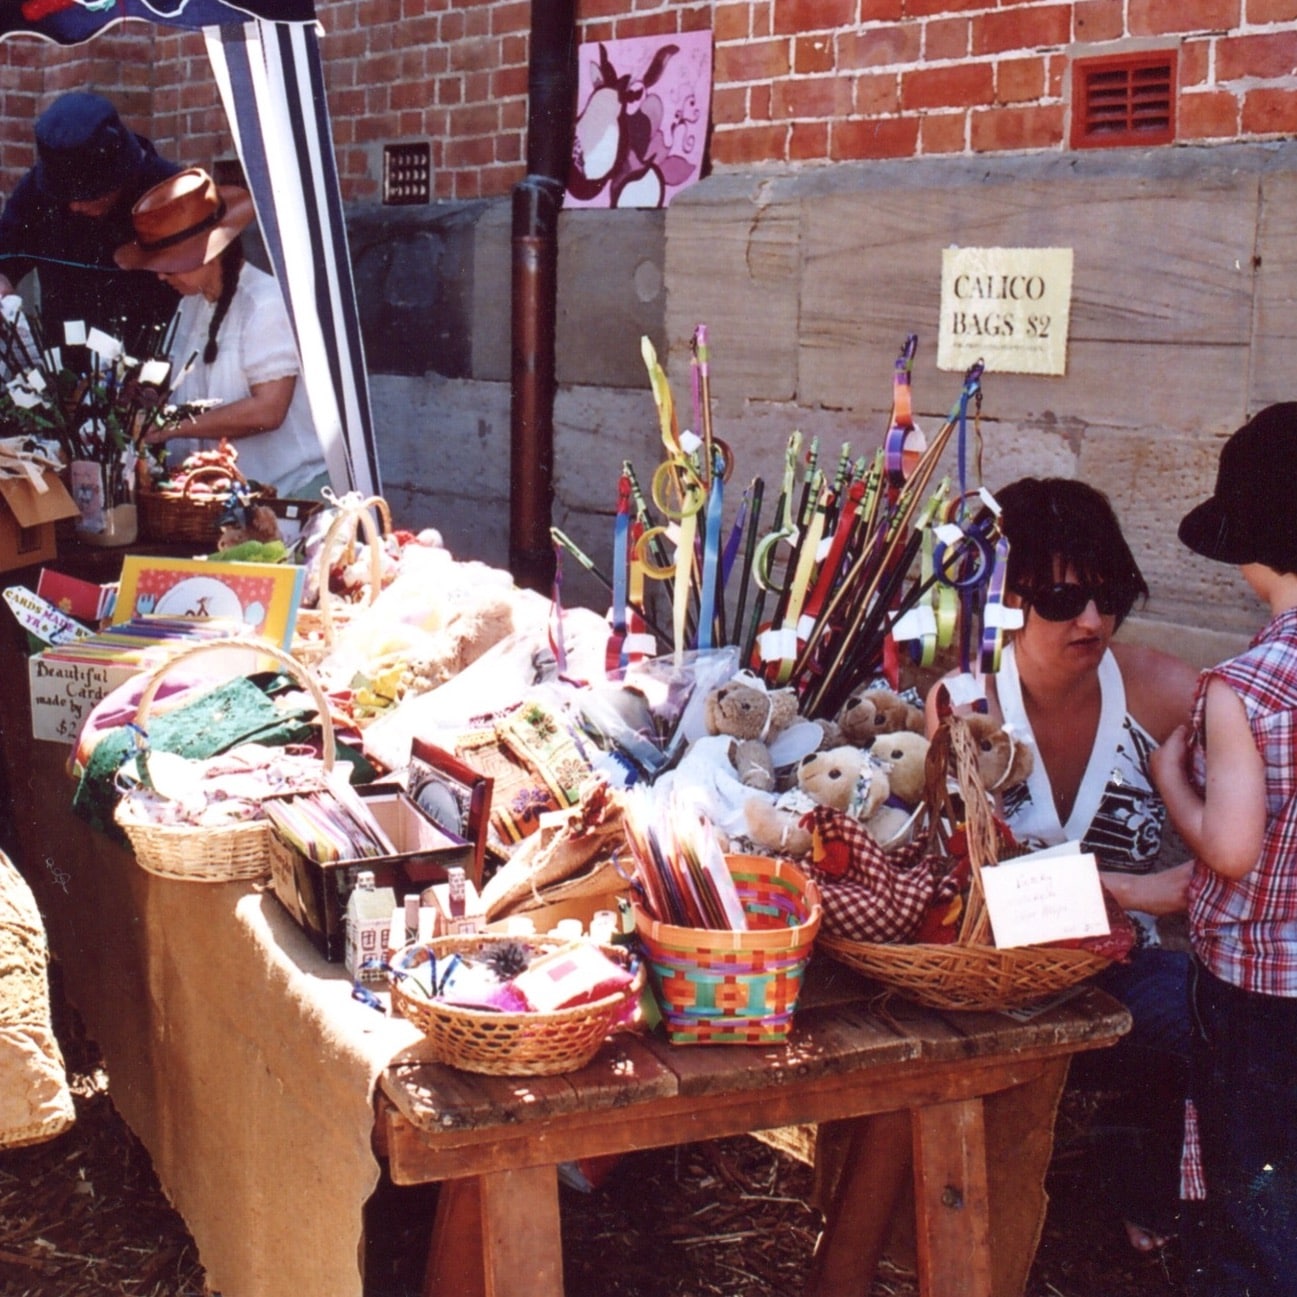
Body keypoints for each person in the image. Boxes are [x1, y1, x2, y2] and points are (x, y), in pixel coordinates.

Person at [925, 476, 1200, 1252]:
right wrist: (1132, 887)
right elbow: (970, 882)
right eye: (1058, 599)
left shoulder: (1163, 691)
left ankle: (1142, 1177)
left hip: (1126, 970)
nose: (1091, 619)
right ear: (1005, 602)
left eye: (1107, 594)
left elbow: (1258, 836)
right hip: (1001, 979)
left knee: (1209, 1006)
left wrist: (1181, 805)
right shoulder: (966, 704)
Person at [1150, 404, 1297, 1297]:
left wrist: (1173, 775)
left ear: (1250, 551)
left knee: (1256, 1201)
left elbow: (1232, 849)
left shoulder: (1240, 688)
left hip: (1256, 996)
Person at [114, 166, 329, 499]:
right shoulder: (191, 304)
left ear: (208, 254)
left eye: (169, 264)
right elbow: (196, 394)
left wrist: (171, 426)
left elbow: (268, 410)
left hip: (290, 493)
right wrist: (151, 406)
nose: (159, 276)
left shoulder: (265, 303)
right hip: (227, 496)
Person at [0, 92, 180, 346]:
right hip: (62, 369)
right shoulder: (36, 192)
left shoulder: (169, 192)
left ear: (121, 176)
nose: (73, 206)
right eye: (64, 196)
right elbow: (6, 252)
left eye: (87, 195)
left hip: (154, 363)